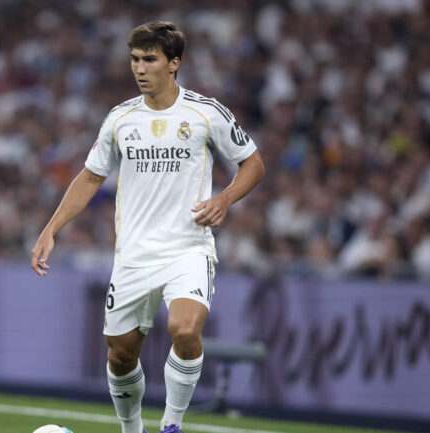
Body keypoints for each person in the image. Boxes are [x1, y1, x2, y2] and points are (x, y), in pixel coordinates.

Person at [30, 21, 265, 433]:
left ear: (174, 63)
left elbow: (253, 163)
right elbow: (90, 177)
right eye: (135, 59)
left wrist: (224, 198)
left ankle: (171, 426)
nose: (139, 68)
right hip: (134, 255)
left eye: (150, 60)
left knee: (185, 330)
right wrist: (51, 229)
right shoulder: (120, 119)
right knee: (120, 354)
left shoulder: (206, 112)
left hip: (187, 248)